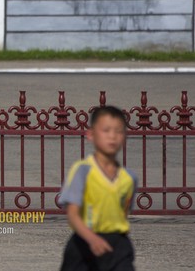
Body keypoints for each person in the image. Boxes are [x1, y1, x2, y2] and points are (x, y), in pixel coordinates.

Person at [59, 105, 138, 271]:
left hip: (119, 247)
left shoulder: (129, 178)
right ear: (91, 135)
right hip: (84, 245)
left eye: (118, 131)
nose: (112, 136)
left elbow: (123, 213)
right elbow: (72, 215)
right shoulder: (83, 171)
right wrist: (92, 239)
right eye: (106, 130)